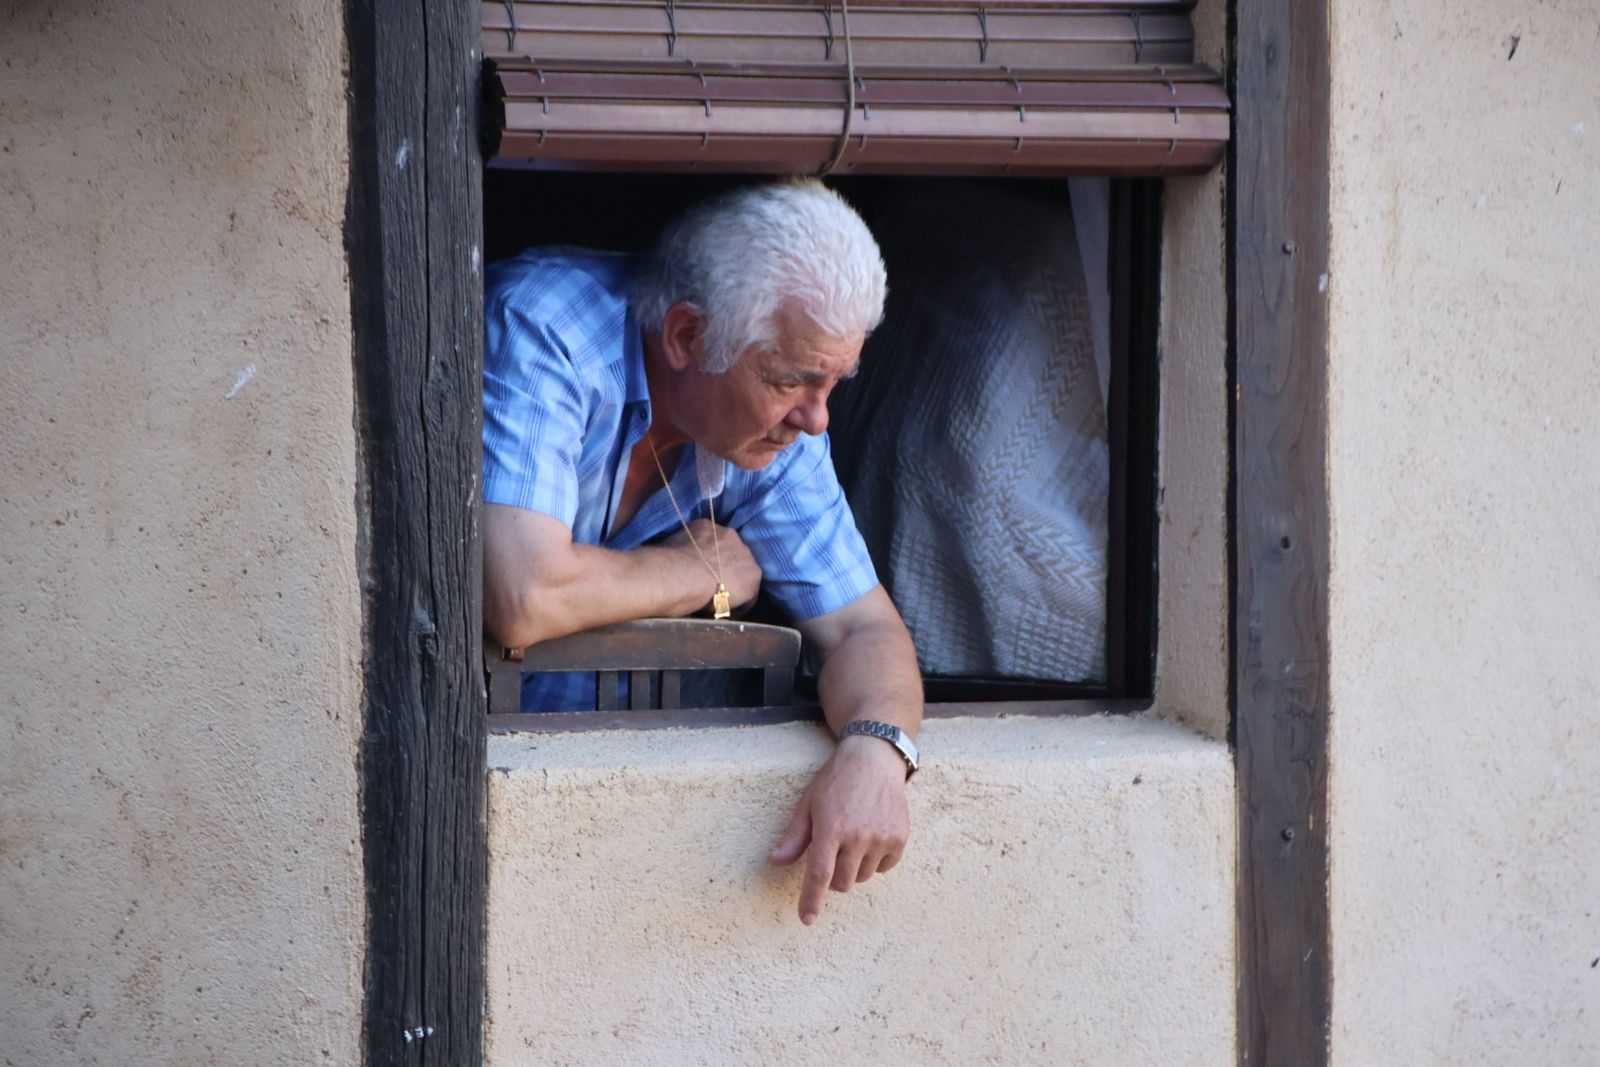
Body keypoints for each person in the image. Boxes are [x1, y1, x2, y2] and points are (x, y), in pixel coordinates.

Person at [481, 180, 923, 926]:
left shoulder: (775, 430)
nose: (816, 420)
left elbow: (863, 629)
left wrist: (876, 750)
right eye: (791, 380)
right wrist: (696, 572)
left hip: (611, 836)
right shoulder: (547, 326)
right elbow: (524, 597)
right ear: (686, 336)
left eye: (833, 383)